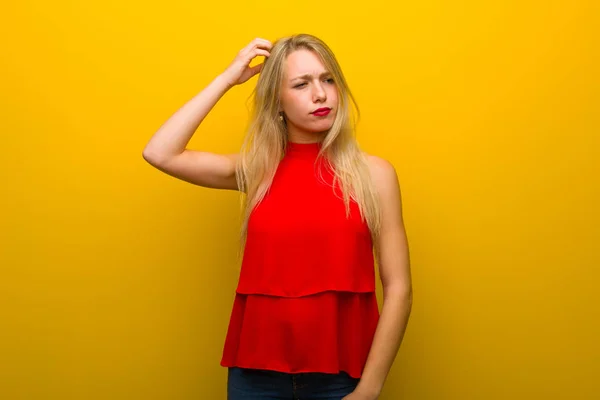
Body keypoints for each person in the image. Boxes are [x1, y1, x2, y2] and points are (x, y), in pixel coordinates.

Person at [143, 33, 412, 400]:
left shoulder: (375, 175)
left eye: (328, 79)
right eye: (301, 84)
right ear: (277, 102)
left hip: (342, 376)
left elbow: (399, 287)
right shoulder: (258, 170)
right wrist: (228, 78)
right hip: (255, 378)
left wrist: (369, 388)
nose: (320, 95)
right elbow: (160, 153)